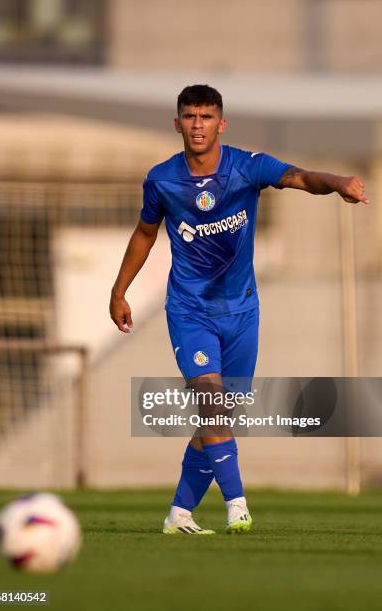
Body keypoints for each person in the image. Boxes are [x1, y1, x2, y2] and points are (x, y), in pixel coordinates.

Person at [110, 84, 369, 535]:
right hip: (190, 310)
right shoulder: (162, 179)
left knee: (220, 419)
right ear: (177, 123)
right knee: (211, 402)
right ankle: (237, 506)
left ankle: (179, 515)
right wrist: (119, 290)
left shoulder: (247, 167)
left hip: (243, 312)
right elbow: (145, 234)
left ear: (221, 124)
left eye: (206, 117)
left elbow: (300, 176)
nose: (197, 125)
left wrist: (339, 184)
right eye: (190, 116)